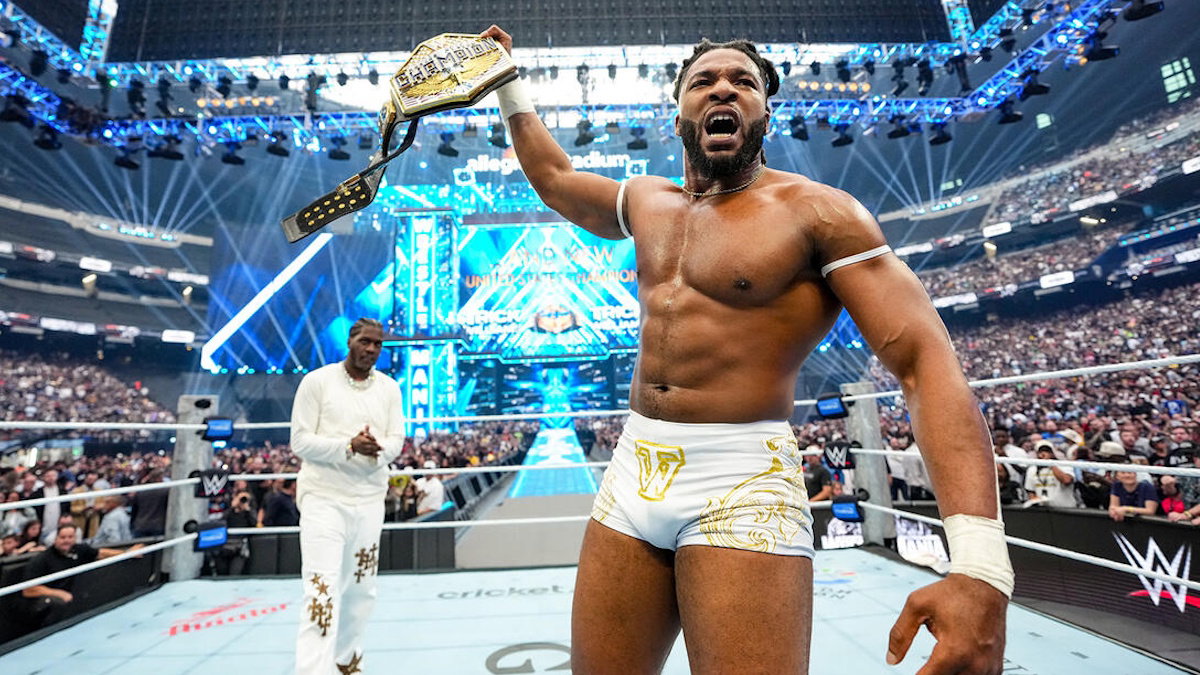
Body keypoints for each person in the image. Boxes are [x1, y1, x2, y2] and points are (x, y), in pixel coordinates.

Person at [482, 25, 1010, 673]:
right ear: (678, 111)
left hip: (742, 479)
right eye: (703, 81)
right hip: (633, 469)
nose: (723, 87)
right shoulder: (648, 200)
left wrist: (981, 567)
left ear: (765, 111)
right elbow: (556, 175)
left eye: (744, 82)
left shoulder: (819, 214)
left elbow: (923, 362)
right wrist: (506, 82)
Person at [290, 317, 405, 674]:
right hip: (323, 500)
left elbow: (397, 441)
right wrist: (348, 447)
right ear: (350, 340)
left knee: (361, 590)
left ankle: (347, 662)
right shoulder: (317, 382)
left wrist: (376, 449)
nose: (371, 349)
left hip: (370, 501)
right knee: (321, 591)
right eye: (365, 342)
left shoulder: (390, 389)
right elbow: (300, 442)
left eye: (377, 344)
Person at [20, 523, 143, 627]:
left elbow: (101, 553)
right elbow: (28, 590)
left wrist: (127, 553)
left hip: (71, 598)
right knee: (58, 602)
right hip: (41, 602)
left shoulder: (79, 550)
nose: (66, 540)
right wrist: (56, 593)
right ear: (55, 539)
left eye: (70, 537)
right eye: (63, 537)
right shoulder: (42, 559)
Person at [1022, 442, 1076, 508]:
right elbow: (1030, 491)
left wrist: (1050, 463)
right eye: (1040, 451)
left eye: (1047, 451)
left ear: (1052, 453)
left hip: (1064, 508)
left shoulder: (1064, 465)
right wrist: (1035, 502)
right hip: (1043, 510)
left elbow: (1066, 480)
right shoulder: (1032, 469)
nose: (1043, 454)